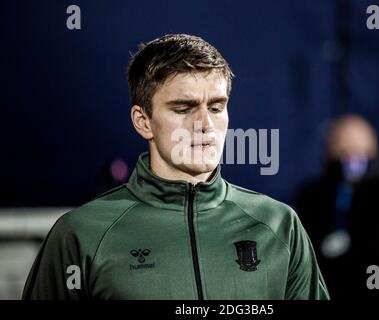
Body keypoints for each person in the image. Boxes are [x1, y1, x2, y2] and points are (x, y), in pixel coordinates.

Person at [22, 34, 329, 300]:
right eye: (183, 108)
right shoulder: (80, 234)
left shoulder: (279, 226)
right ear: (143, 121)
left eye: (216, 107)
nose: (205, 125)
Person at [295, 114, 379, 300]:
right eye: (344, 149)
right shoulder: (312, 197)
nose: (353, 158)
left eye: (361, 149)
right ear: (328, 151)